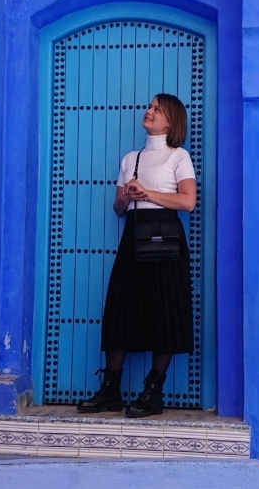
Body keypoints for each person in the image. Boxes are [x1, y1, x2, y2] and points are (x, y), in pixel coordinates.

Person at [77, 93, 197, 417]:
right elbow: (118, 208)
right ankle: (110, 390)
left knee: (165, 311)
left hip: (166, 241)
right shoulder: (132, 159)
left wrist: (148, 193)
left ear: (171, 121)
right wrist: (128, 196)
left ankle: (153, 392)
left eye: (157, 109)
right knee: (121, 308)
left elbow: (187, 201)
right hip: (133, 236)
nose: (149, 111)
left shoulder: (178, 156)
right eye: (150, 106)